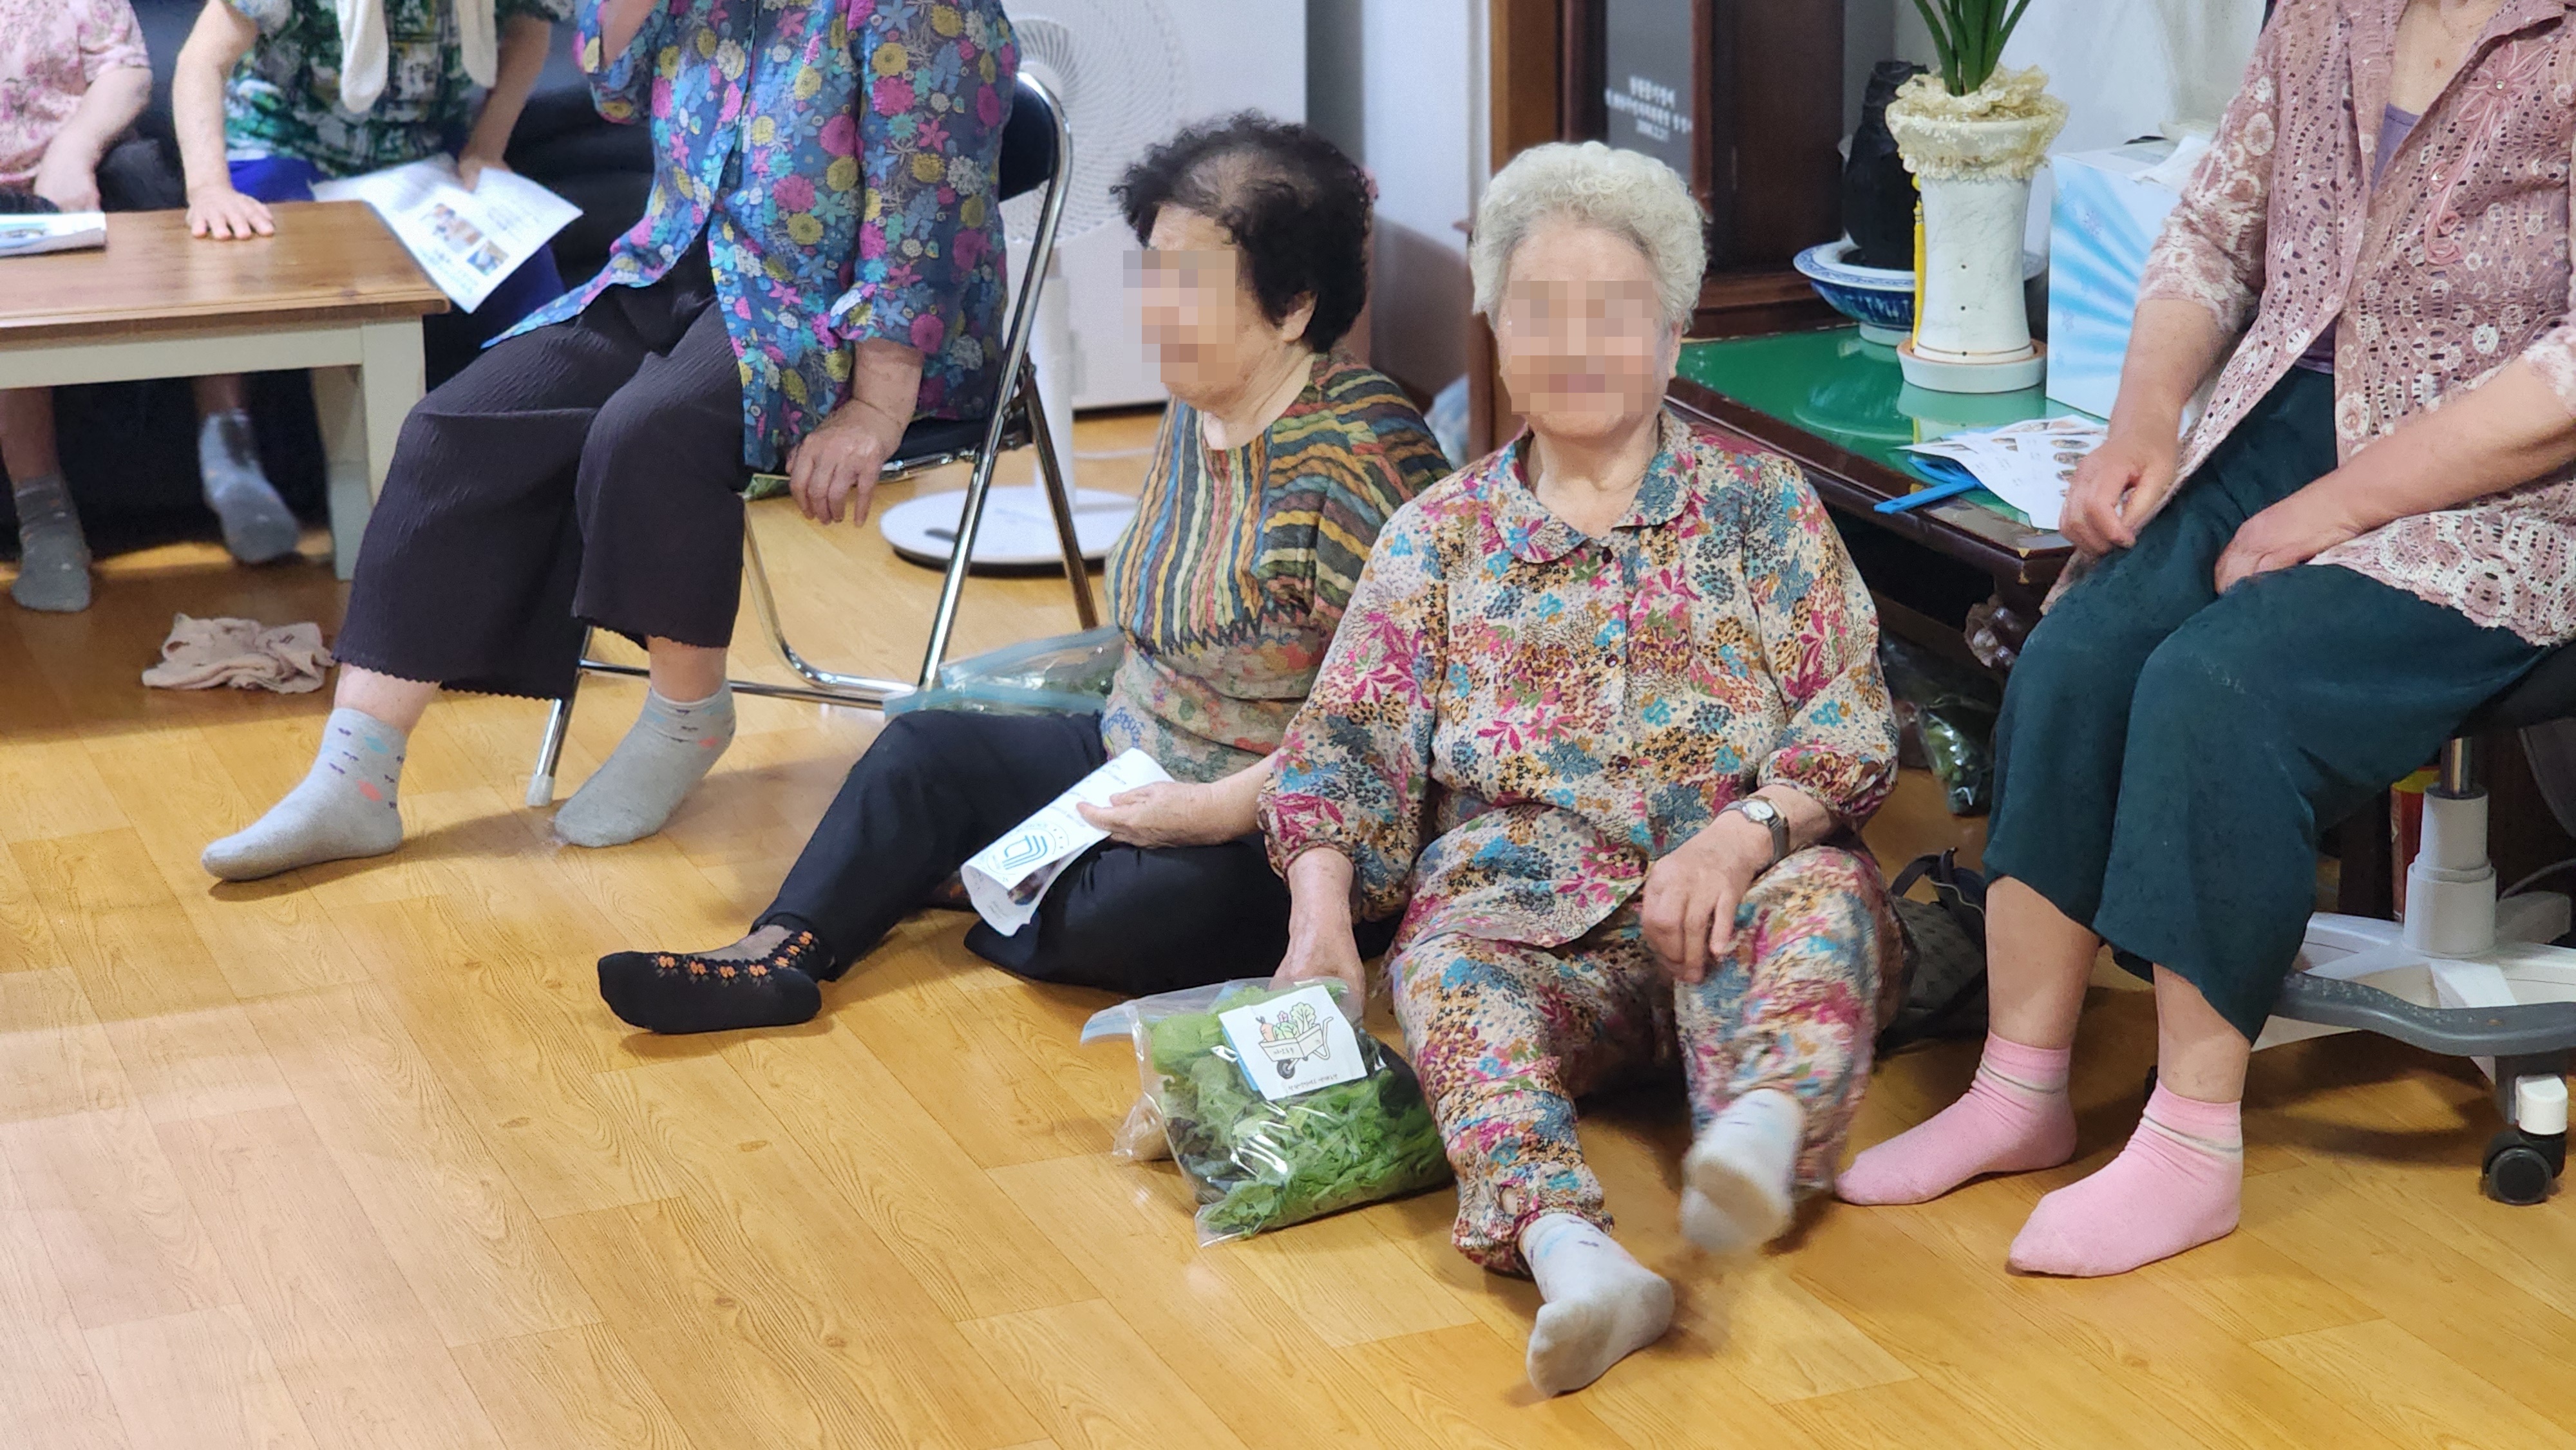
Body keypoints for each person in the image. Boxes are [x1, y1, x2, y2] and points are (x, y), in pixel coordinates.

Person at [1837, 0, 2576, 1278]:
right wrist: (2144, 418)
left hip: (2508, 489)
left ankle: (2189, 1147)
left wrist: (2333, 509)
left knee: (2216, 686)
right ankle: (2019, 1086)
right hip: (2284, 419)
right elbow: (2215, 231)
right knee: (2081, 651)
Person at [1260, 142, 1903, 1397]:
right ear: (1498, 333)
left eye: (1611, 310)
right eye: (1539, 310)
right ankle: (1576, 1258)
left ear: (1671, 335)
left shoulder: (1759, 506)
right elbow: (1342, 749)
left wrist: (1741, 837)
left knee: (1826, 903)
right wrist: (1317, 916)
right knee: (1443, 968)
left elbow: (1851, 718)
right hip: (1529, 933)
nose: (1574, 343)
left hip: (1738, 899)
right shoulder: (1438, 539)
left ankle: (1760, 1132)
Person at [595, 115, 1454, 1035]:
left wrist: (1208, 809)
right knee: (921, 753)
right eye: (1153, 276)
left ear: (1293, 308)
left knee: (1135, 910)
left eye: (1191, 287)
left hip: (1286, 830)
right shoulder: (1200, 399)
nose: (1156, 311)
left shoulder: (1363, 457)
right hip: (1133, 757)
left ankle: (965, 877)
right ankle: (779, 954)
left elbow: (1387, 730)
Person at [198, 0, 1019, 880]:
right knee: (453, 427)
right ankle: (353, 780)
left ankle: (687, 715)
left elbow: (930, 218)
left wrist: (876, 410)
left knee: (650, 430)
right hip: (673, 265)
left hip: (837, 317)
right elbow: (617, 88)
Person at [166, 0, 569, 568]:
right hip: (285, 146)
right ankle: (229, 452)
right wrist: (209, 189)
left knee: (532, 280)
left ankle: (545, 474)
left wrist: (487, 146)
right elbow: (202, 60)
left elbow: (530, 29)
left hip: (421, 154)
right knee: (243, 246)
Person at [0, 0, 173, 612]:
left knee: (151, 177)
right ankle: (44, 516)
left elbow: (126, 71)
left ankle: (229, 449)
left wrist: (72, 151)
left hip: (78, 184)